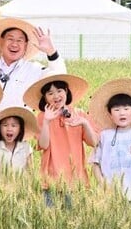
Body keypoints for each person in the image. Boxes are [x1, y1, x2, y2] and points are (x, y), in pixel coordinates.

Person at [23, 73, 98, 206]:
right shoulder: (41, 118)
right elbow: (43, 145)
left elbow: (94, 142)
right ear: (45, 98)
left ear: (66, 92)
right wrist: (46, 121)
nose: (56, 96)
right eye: (50, 93)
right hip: (51, 180)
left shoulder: (79, 114)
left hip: (76, 181)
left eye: (59, 91)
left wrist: (84, 124)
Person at [88, 78, 131, 200]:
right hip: (108, 194)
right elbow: (95, 163)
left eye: (126, 109)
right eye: (116, 110)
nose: (122, 113)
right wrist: (103, 184)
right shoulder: (104, 135)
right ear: (110, 115)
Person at [0, 17, 67, 115]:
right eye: (10, 39)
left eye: (20, 40)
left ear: (25, 45)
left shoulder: (34, 69)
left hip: (21, 128)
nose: (14, 44)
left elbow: (60, 77)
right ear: (1, 41)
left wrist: (51, 51)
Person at [0, 106, 38, 174]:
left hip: (22, 183)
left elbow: (31, 173)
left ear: (20, 129)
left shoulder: (26, 148)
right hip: (2, 184)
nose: (9, 129)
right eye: (5, 125)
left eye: (13, 125)